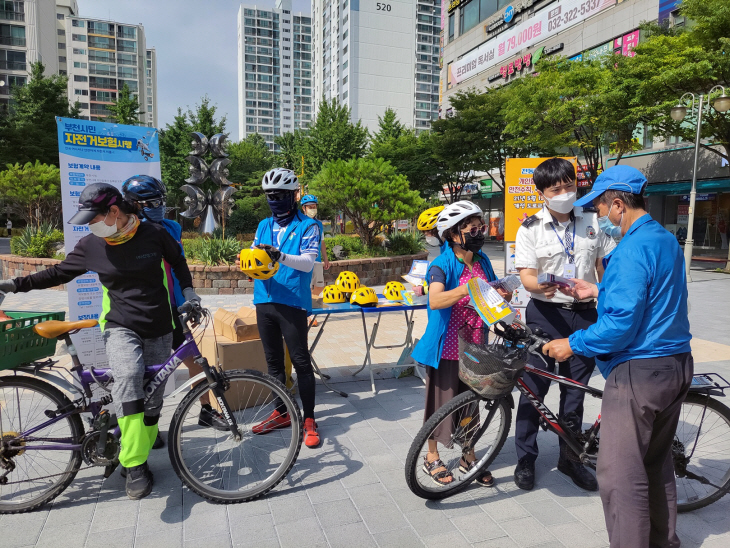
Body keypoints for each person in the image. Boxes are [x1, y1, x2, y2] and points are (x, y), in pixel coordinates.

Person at [0, 183, 200, 500]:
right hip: (121, 326)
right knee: (129, 378)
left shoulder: (152, 234)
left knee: (153, 401)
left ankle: (137, 449)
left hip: (161, 326)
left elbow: (177, 262)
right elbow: (56, 274)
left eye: (94, 218)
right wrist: (12, 285)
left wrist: (189, 292)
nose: (92, 225)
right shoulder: (91, 246)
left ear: (115, 212)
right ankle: (134, 465)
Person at [544, 165, 693, 548]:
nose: (597, 217)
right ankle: (663, 541)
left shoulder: (630, 249)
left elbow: (621, 326)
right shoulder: (664, 239)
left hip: (640, 370)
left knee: (619, 475)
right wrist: (597, 291)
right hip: (676, 362)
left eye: (598, 209)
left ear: (617, 205)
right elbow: (652, 299)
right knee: (655, 463)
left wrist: (572, 344)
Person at [512, 158, 615, 493]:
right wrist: (538, 285)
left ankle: (570, 459)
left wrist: (608, 300)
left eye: (569, 186)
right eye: (556, 189)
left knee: (575, 391)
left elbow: (602, 267)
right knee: (533, 390)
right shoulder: (529, 228)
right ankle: (526, 458)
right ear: (541, 192)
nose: (565, 193)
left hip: (584, 315)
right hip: (545, 314)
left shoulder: (593, 221)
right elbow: (526, 274)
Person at [411, 201, 509, 487]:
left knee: (472, 405)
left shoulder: (482, 261)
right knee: (440, 405)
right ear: (453, 234)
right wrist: (467, 288)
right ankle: (431, 457)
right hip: (448, 348)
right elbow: (436, 299)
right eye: (472, 229)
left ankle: (469, 456)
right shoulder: (440, 265)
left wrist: (502, 292)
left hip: (477, 345)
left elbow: (490, 294)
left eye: (481, 227)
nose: (479, 233)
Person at [122, 175, 228, 435]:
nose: (157, 206)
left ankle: (206, 410)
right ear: (133, 205)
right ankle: (149, 428)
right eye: (150, 203)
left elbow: (177, 268)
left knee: (196, 360)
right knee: (148, 373)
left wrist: (188, 299)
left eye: (160, 201)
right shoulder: (125, 235)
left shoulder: (171, 229)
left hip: (174, 309)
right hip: (144, 313)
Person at [249, 168, 322, 448]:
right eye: (270, 196)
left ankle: (309, 419)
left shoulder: (308, 226)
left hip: (292, 300)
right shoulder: (263, 225)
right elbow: (256, 255)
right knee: (274, 363)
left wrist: (279, 255)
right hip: (264, 299)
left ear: (294, 195)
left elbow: (307, 262)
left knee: (301, 362)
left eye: (280, 195)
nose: (274, 200)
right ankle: (280, 413)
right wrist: (248, 260)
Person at [300, 194, 329, 291]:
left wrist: (326, 258)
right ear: (304, 208)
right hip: (303, 260)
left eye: (314, 207)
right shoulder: (299, 223)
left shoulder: (319, 224)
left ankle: (314, 304)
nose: (313, 209)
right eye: (310, 207)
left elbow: (322, 242)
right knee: (305, 287)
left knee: (319, 286)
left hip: (317, 260)